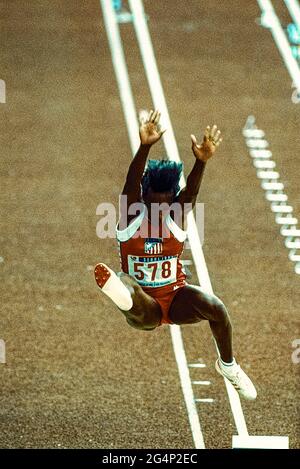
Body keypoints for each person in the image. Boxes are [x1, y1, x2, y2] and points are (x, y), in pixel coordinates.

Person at [94, 109, 257, 400]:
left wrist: (201, 161)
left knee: (216, 307)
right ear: (143, 199)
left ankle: (228, 366)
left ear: (172, 200)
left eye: (165, 203)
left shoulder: (175, 216)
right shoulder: (130, 216)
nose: (159, 210)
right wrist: (144, 146)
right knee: (126, 283)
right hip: (145, 307)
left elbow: (191, 192)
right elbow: (131, 184)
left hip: (176, 297)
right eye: (152, 203)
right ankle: (117, 291)